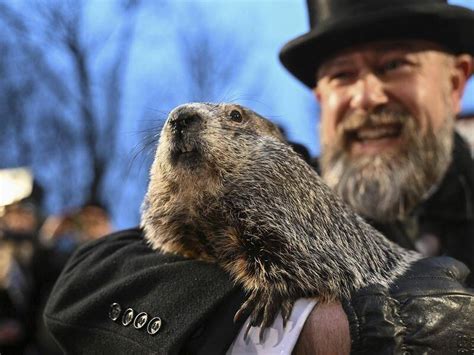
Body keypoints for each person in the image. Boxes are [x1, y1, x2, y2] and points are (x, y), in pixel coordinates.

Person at [44, 0, 474, 354]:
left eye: (395, 64)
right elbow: (85, 286)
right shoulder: (281, 172)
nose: (366, 97)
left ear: (456, 82)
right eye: (342, 75)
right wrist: (317, 332)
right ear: (321, 97)